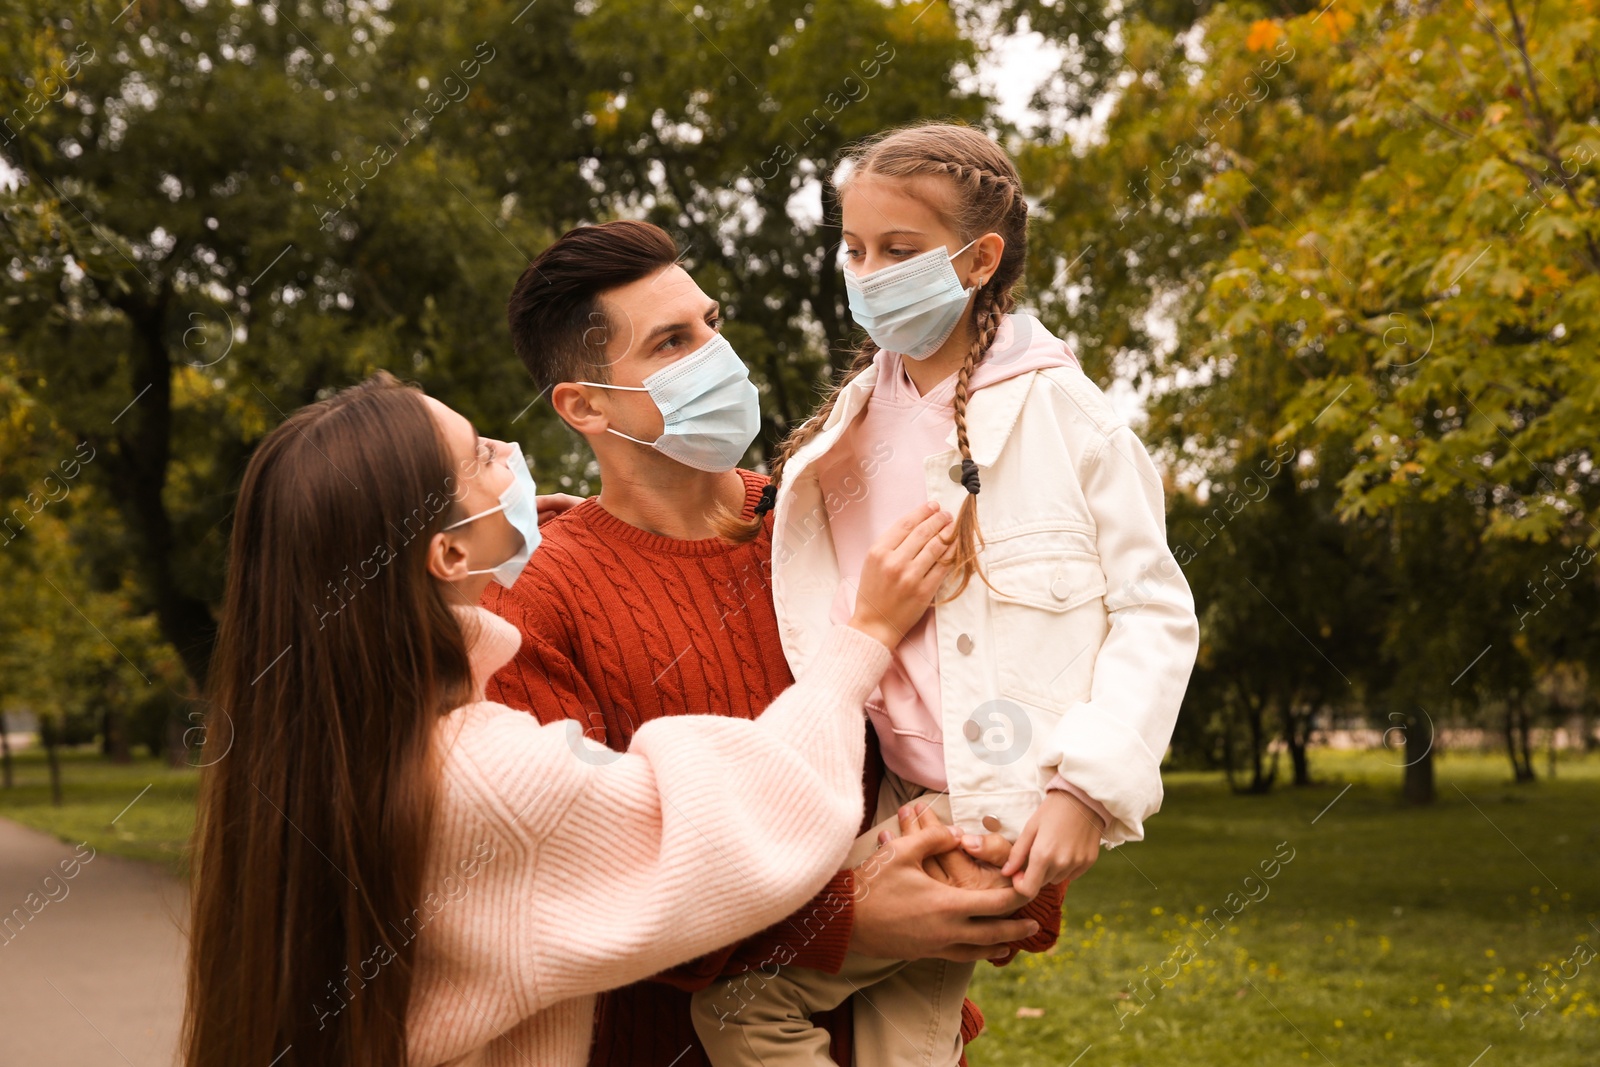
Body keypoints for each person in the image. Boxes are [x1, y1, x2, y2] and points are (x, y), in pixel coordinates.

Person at [180, 370, 974, 1067]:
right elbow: (720, 820)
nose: (509, 451)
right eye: (480, 455)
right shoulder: (483, 775)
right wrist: (863, 637)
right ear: (450, 557)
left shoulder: (336, 746)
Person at [483, 219, 1057, 1067]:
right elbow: (577, 889)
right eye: (672, 342)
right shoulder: (534, 602)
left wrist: (995, 889)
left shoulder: (832, 516)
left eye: (711, 322)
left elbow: (995, 715)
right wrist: (842, 921)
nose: (718, 354)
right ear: (584, 404)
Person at [690, 122, 1201, 1066]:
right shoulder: (849, 419)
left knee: (746, 998)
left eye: (900, 250)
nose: (868, 271)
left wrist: (1088, 788)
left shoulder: (1070, 418)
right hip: (876, 789)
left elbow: (1154, 611)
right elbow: (785, 549)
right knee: (903, 1051)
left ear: (980, 259)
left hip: (997, 805)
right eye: (854, 249)